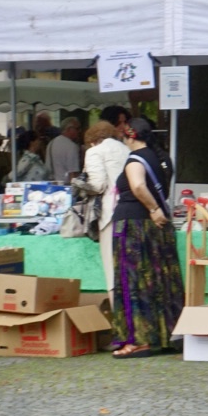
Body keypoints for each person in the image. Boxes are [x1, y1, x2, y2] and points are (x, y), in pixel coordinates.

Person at [110, 118, 185, 357]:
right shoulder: (160, 158)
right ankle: (162, 335)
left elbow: (138, 186)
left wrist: (153, 209)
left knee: (132, 281)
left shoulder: (135, 159)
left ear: (129, 136)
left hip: (133, 225)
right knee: (157, 281)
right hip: (153, 229)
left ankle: (138, 340)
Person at [75, 120, 131, 304]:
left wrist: (78, 184)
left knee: (112, 269)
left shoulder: (94, 152)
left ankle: (119, 315)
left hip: (110, 213)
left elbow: (98, 185)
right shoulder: (125, 149)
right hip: (132, 210)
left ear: (93, 140)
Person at [45, 117, 83, 183]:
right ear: (69, 129)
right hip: (65, 185)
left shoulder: (51, 143)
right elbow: (73, 173)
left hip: (51, 184)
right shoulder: (71, 146)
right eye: (77, 128)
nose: (79, 131)